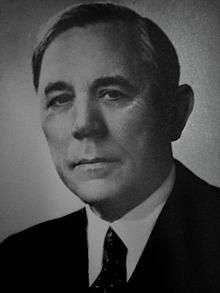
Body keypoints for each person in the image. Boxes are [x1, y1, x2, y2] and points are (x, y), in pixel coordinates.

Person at [1, 3, 219, 292]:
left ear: (175, 112)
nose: (83, 125)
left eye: (112, 94)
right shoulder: (17, 258)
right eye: (60, 99)